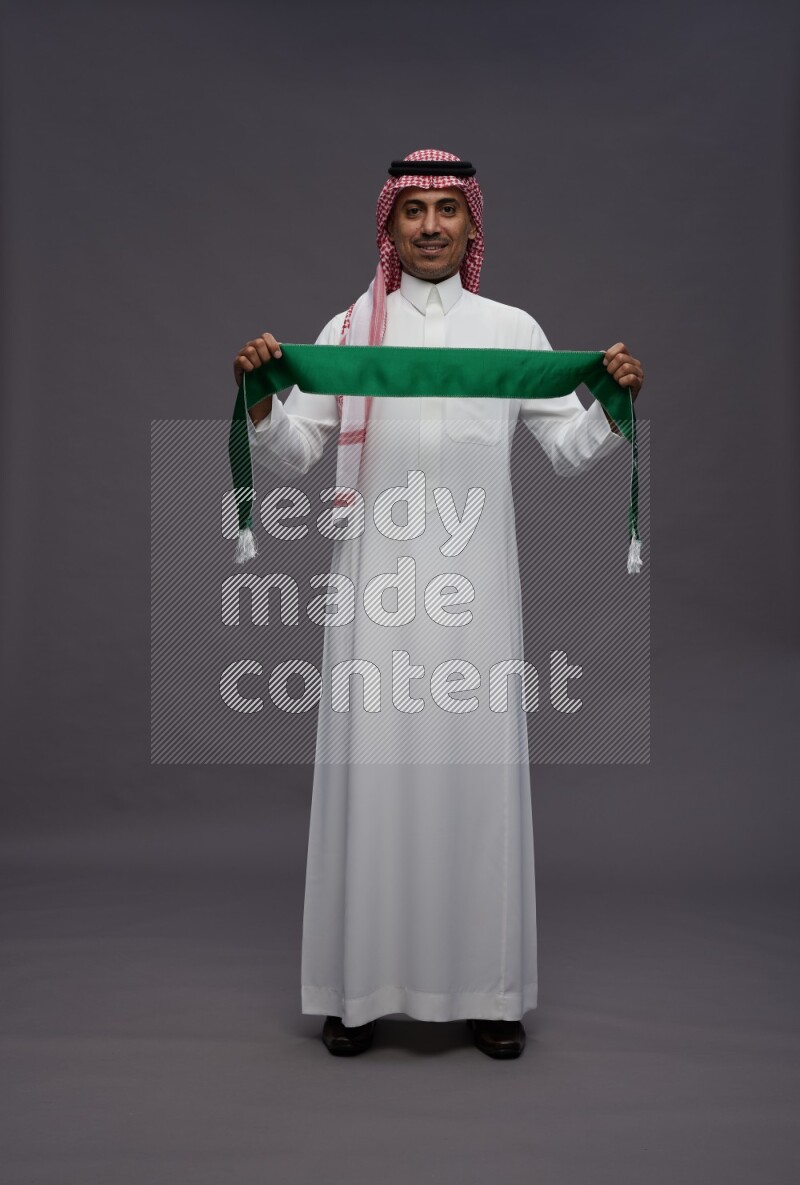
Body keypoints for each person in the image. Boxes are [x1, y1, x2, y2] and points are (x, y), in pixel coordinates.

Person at [232, 149, 644, 1059]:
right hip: (372, 590)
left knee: (476, 777)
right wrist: (262, 400)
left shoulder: (511, 330)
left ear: (471, 225)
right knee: (369, 776)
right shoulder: (350, 330)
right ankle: (355, 987)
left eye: (444, 210)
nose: (428, 227)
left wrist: (612, 399)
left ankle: (489, 992)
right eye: (411, 210)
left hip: (476, 599)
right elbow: (299, 450)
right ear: (388, 225)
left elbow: (569, 450)